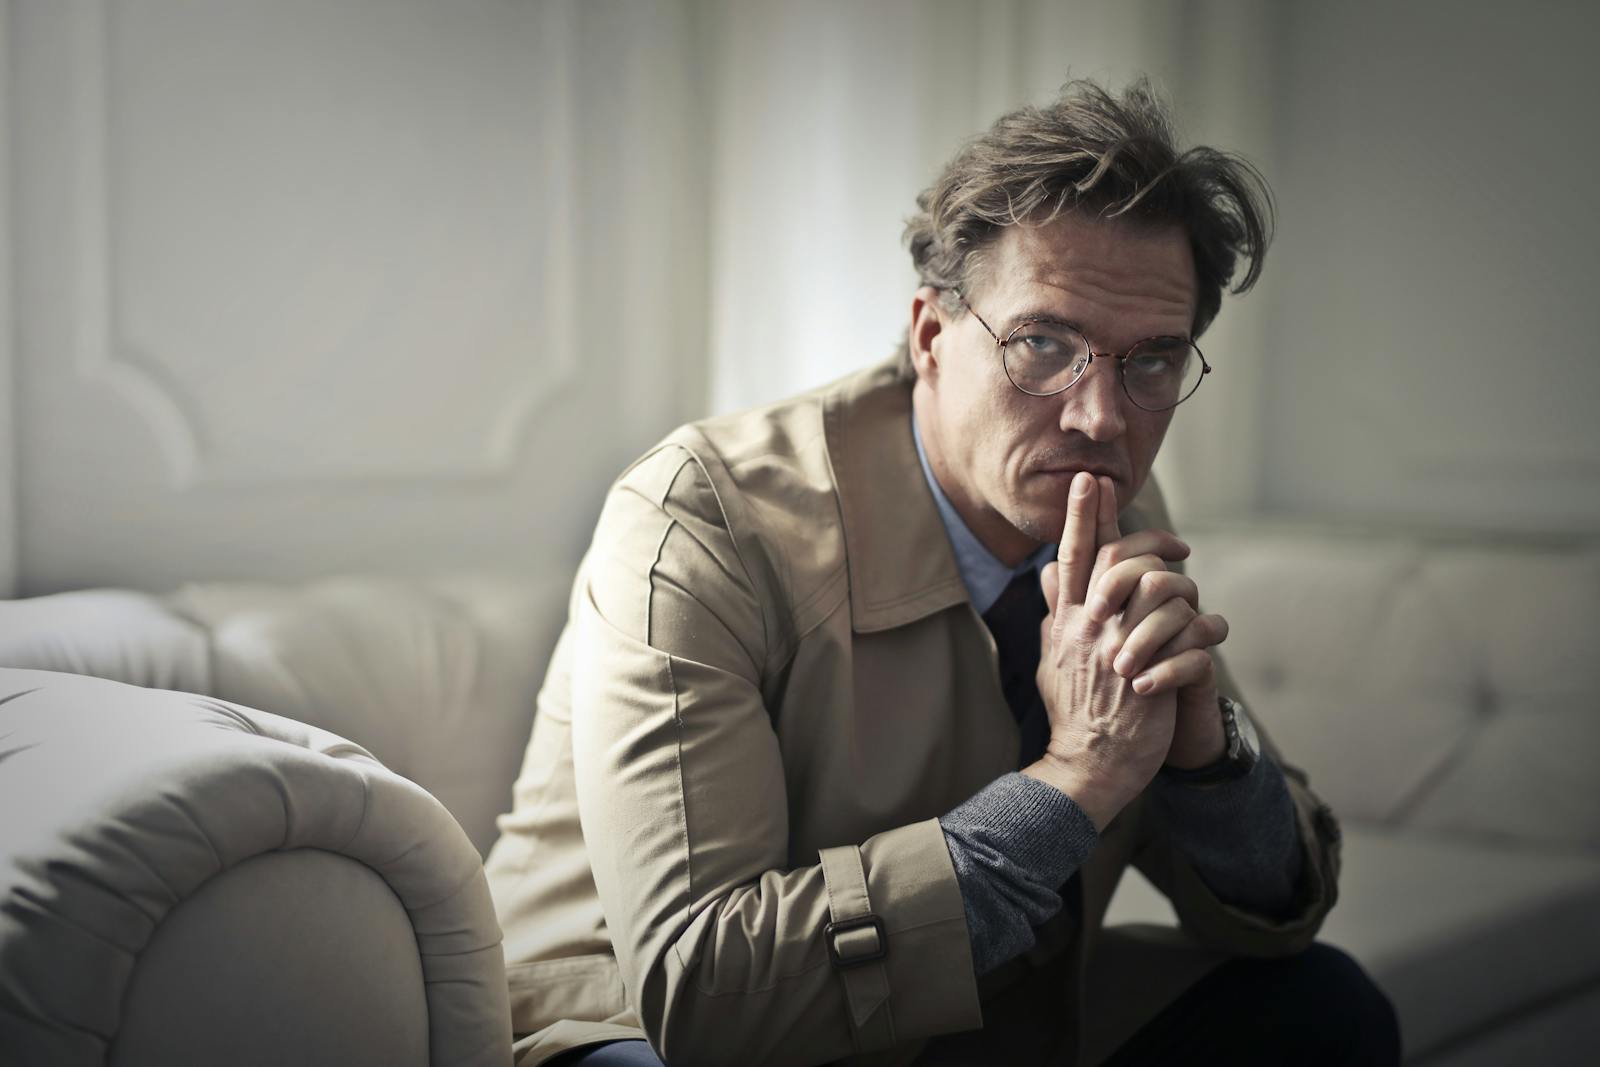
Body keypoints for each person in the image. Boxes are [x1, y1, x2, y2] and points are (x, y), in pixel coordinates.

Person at [485, 79, 1400, 1066]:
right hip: (631, 1027)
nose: (1101, 417)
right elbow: (707, 992)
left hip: (970, 1015)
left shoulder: (1113, 507)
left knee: (1324, 1006)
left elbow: (1276, 909)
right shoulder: (700, 518)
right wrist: (1076, 781)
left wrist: (1207, 761)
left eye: (1151, 361)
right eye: (1043, 343)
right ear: (930, 335)